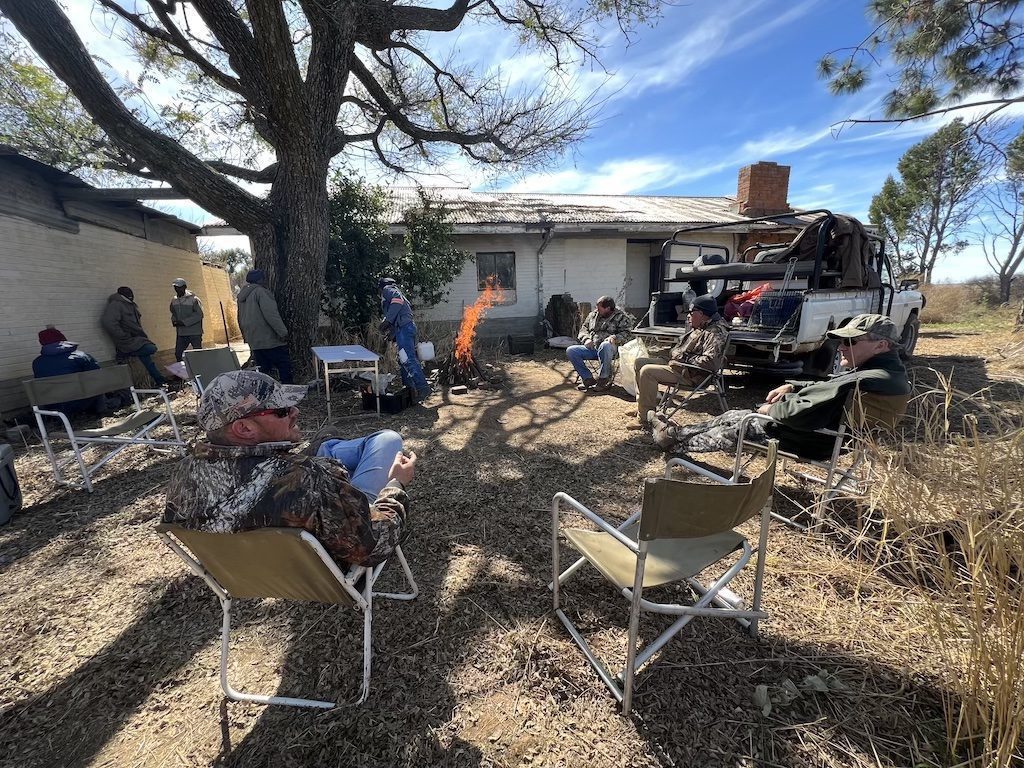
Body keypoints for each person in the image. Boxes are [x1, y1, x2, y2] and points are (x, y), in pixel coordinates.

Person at [163, 370, 416, 569]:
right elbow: (374, 545)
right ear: (244, 429)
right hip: (322, 563)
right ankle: (325, 444)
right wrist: (396, 484)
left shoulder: (182, 475)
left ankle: (324, 445)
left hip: (253, 574)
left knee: (330, 444)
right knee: (388, 440)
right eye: (282, 410)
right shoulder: (308, 479)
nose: (295, 411)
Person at [651, 314, 911, 458]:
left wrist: (770, 410)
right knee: (734, 415)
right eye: (843, 342)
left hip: (809, 439)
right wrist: (793, 386)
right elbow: (829, 385)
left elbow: (796, 413)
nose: (842, 347)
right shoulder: (888, 376)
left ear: (881, 345)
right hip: (830, 439)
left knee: (738, 424)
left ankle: (674, 443)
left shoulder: (864, 379)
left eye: (851, 342)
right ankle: (676, 432)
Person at [630, 294, 729, 427]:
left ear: (701, 314)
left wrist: (682, 357)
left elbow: (710, 362)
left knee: (647, 371)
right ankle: (643, 407)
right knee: (640, 362)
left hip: (692, 374)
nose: (688, 316)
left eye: (691, 313)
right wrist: (677, 355)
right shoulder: (702, 326)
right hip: (679, 365)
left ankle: (645, 418)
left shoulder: (715, 332)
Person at [31, 326, 129, 416]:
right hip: (86, 403)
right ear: (63, 339)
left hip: (56, 408)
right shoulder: (81, 356)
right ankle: (111, 404)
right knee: (109, 386)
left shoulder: (37, 363)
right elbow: (99, 377)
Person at [100, 286, 167, 387]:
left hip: (136, 339)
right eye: (128, 294)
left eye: (131, 293)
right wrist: (123, 336)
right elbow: (108, 322)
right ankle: (124, 353)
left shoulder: (129, 304)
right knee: (150, 348)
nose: (131, 295)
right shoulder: (116, 305)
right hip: (127, 341)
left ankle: (160, 381)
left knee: (147, 359)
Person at [379, 277, 432, 402]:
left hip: (404, 329)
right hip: (405, 329)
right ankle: (409, 390)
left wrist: (387, 321)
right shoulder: (395, 292)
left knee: (408, 359)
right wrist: (391, 334)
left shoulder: (388, 289)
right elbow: (399, 314)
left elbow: (397, 301)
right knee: (404, 360)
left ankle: (423, 388)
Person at [566, 296, 636, 391]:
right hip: (593, 348)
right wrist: (586, 339)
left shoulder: (621, 317)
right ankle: (587, 378)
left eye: (599, 308)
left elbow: (628, 333)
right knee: (571, 350)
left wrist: (615, 337)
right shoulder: (593, 315)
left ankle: (603, 379)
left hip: (611, 349)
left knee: (605, 345)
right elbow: (583, 329)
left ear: (608, 308)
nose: (597, 310)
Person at [236, 269, 294, 384]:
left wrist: (245, 336)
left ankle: (265, 390)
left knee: (263, 369)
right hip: (268, 337)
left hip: (253, 338)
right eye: (263, 278)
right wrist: (283, 332)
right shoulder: (261, 292)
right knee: (283, 363)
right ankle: (287, 388)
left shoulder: (242, 296)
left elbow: (239, 317)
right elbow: (271, 315)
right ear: (259, 280)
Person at [169, 277, 204, 362]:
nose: (177, 289)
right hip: (182, 333)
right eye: (175, 287)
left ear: (184, 287)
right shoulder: (174, 300)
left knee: (197, 354)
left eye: (179, 287)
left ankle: (200, 368)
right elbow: (173, 313)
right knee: (178, 354)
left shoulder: (193, 299)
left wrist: (184, 322)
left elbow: (199, 315)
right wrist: (174, 321)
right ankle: (183, 369)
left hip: (194, 332)